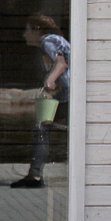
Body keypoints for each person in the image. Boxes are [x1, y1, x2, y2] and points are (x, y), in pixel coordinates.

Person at [11, 13, 70, 189]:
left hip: (70, 95)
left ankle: (35, 176)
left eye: (26, 30)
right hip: (69, 95)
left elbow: (61, 63)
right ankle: (35, 174)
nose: (24, 35)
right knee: (45, 127)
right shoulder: (54, 40)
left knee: (41, 127)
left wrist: (50, 80)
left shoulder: (47, 40)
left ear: (36, 30)